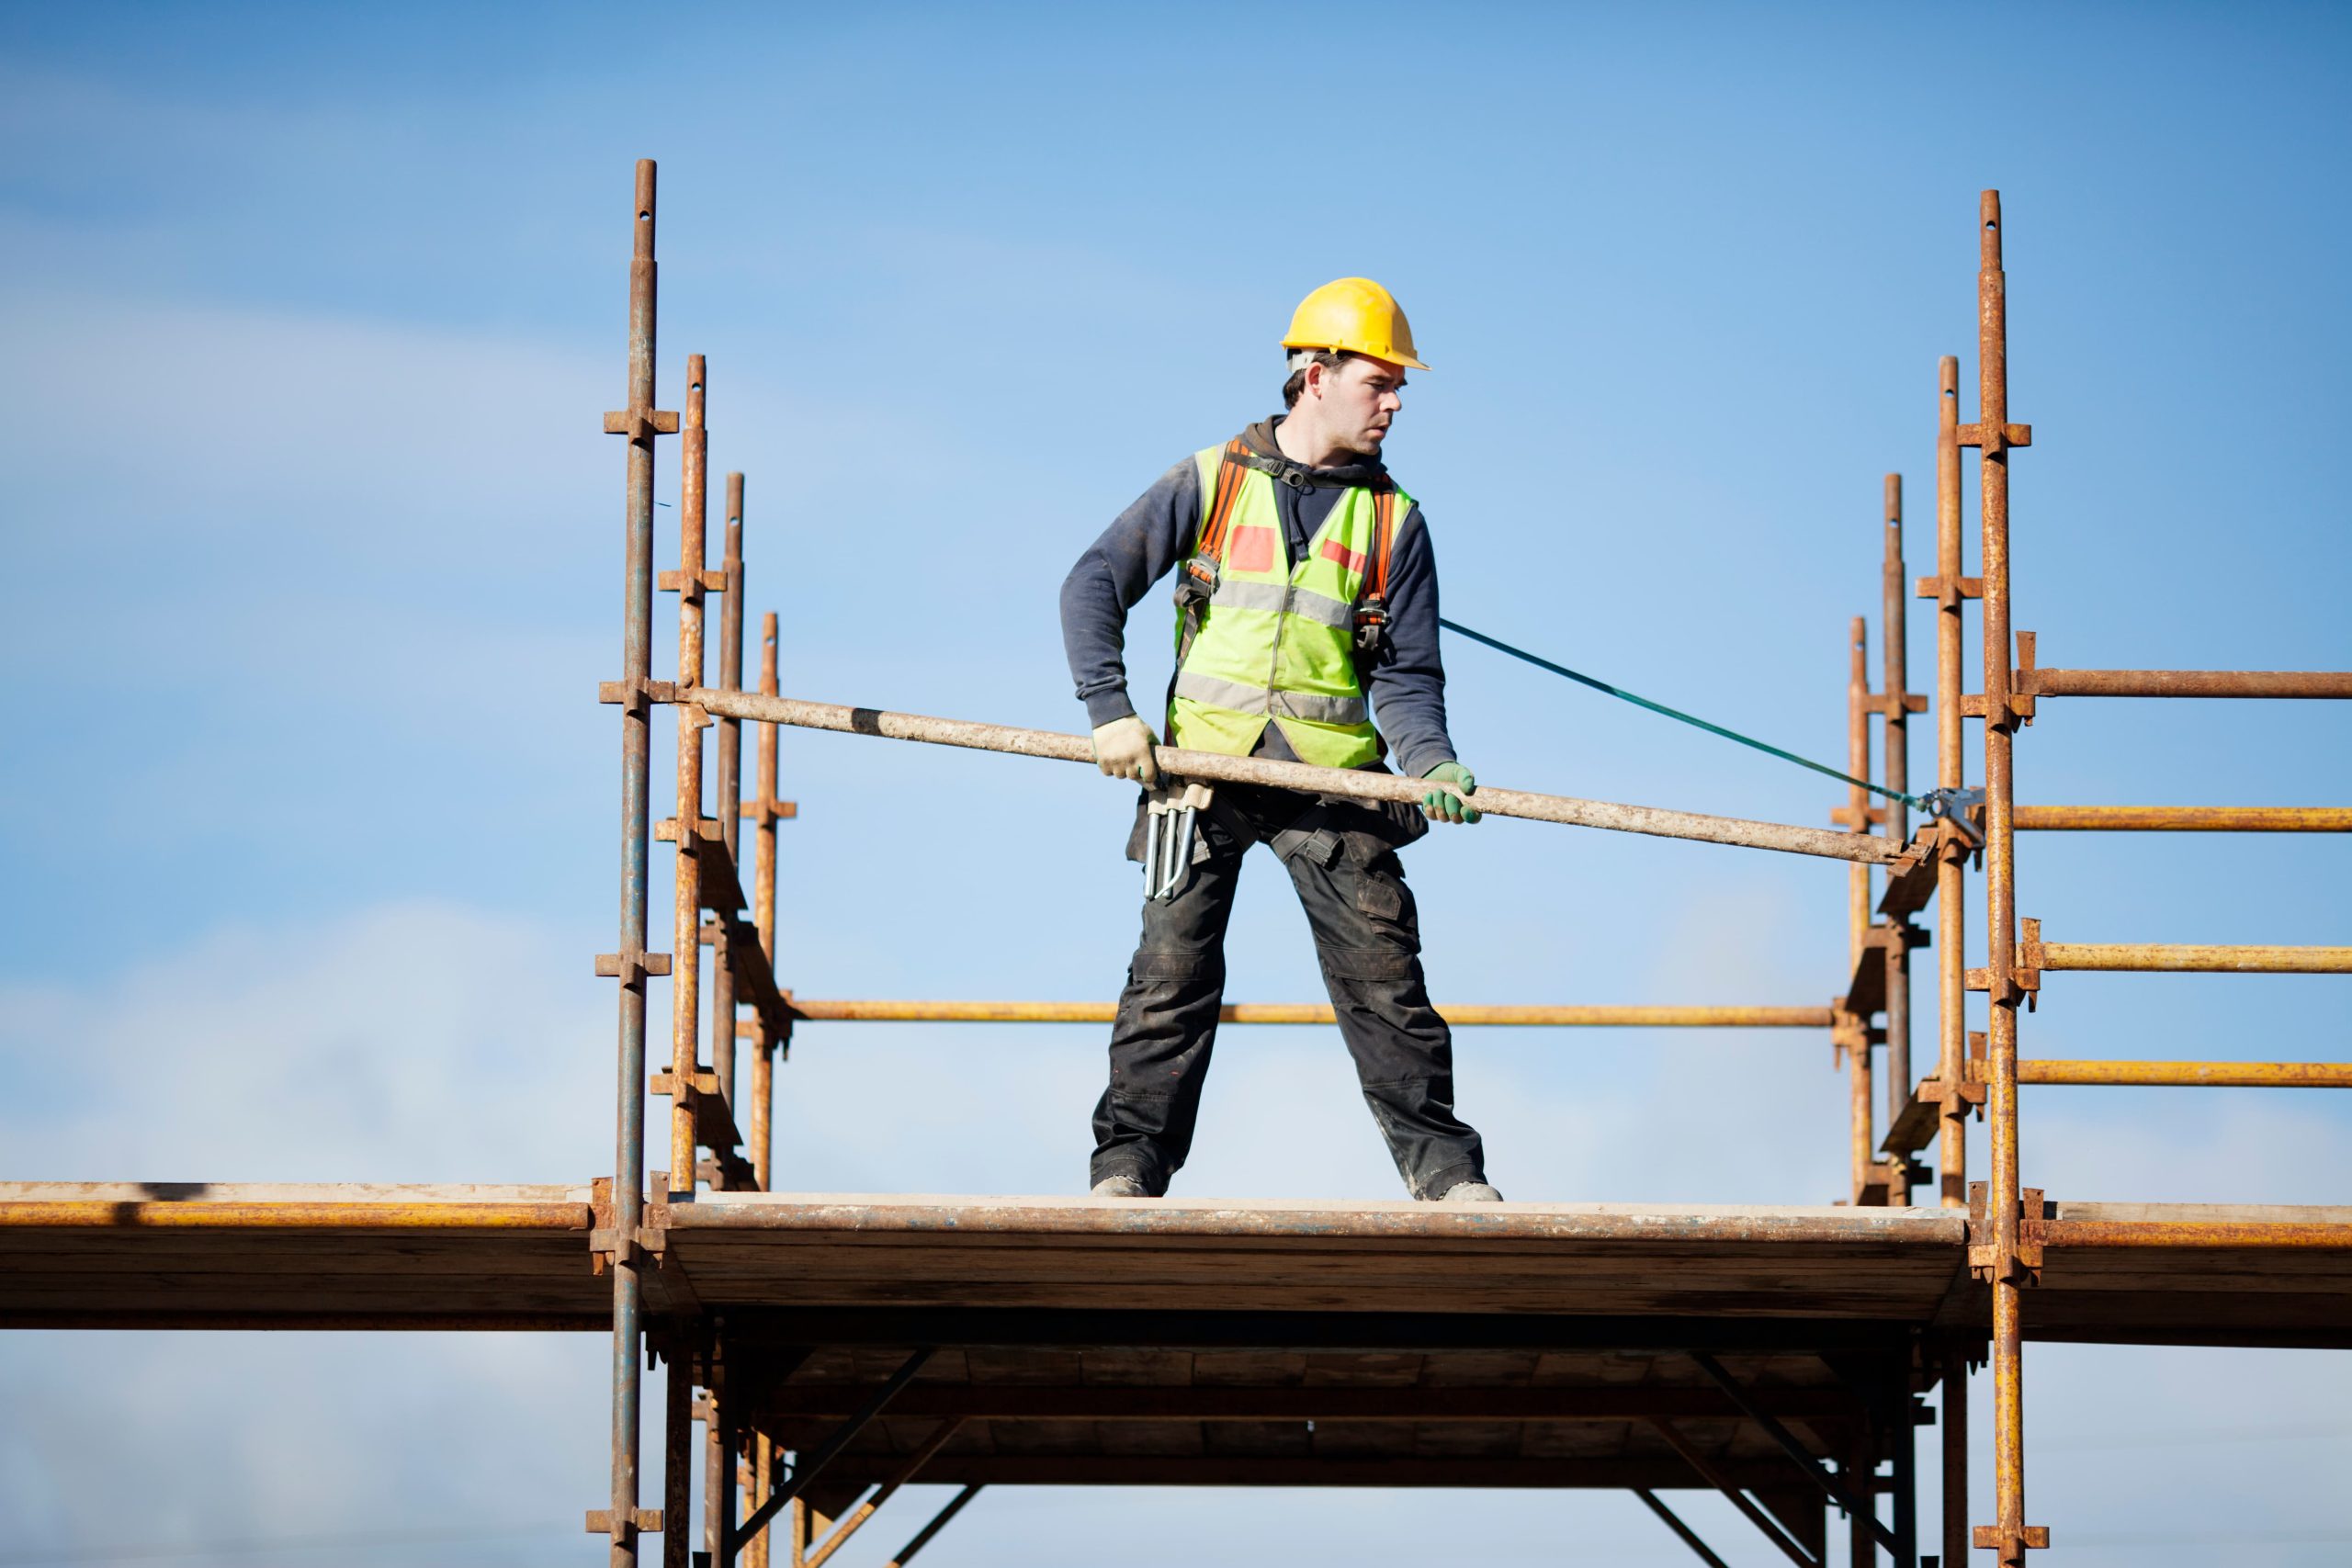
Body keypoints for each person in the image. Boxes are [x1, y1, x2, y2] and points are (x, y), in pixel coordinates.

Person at [1058, 277, 1502, 1203]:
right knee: (1167, 976)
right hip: (1197, 775)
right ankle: (1127, 1168)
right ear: (1314, 373)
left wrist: (1430, 764)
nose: (1394, 402)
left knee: (1385, 984)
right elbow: (1093, 583)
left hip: (1333, 788)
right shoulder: (1209, 481)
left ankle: (1446, 1173)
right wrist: (1109, 711)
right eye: (1378, 382)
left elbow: (1407, 677)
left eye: (1397, 387)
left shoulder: (1394, 523)